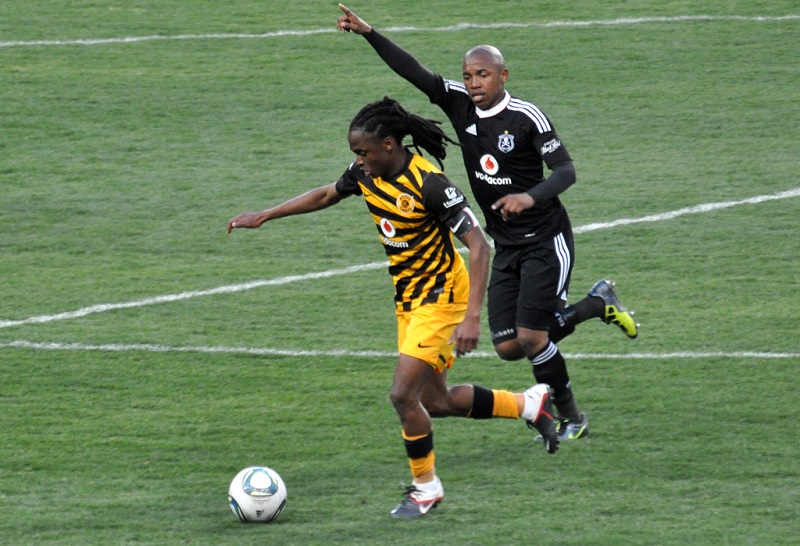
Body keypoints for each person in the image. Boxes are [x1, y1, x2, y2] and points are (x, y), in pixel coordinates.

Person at [227, 97, 560, 519]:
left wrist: (473, 315)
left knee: (402, 395)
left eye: (363, 152)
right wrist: (265, 215)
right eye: (355, 154)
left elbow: (479, 246)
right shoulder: (365, 174)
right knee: (435, 402)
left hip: (442, 297)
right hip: (409, 299)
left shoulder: (430, 184)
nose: (358, 161)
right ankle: (529, 405)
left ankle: (426, 489)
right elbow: (327, 194)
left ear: (388, 145)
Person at [337, 4, 640, 442]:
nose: (474, 83)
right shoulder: (460, 105)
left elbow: (566, 171)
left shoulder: (526, 117)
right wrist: (369, 33)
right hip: (506, 244)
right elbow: (414, 72)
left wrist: (529, 196)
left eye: (483, 74)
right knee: (508, 346)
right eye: (468, 75)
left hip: (545, 239)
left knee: (532, 338)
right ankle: (595, 305)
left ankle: (572, 416)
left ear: (503, 76)